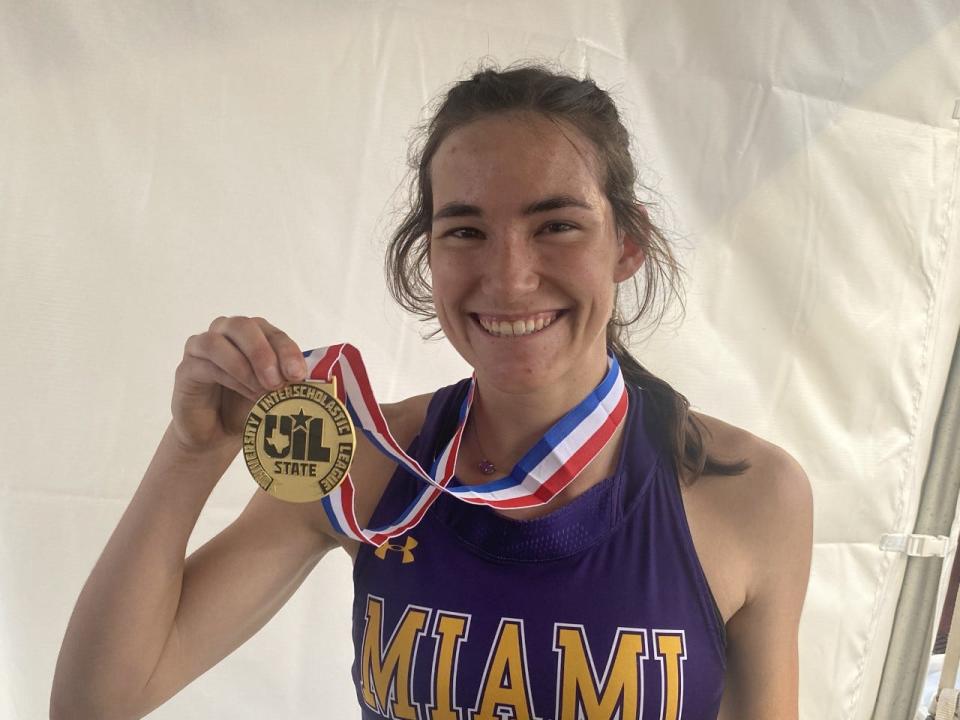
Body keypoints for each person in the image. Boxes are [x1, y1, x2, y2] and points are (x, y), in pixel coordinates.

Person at [51, 62, 813, 719]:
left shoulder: (750, 494)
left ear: (628, 244)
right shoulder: (363, 457)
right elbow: (97, 703)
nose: (510, 278)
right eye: (465, 232)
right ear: (429, 254)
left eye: (556, 226)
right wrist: (192, 453)